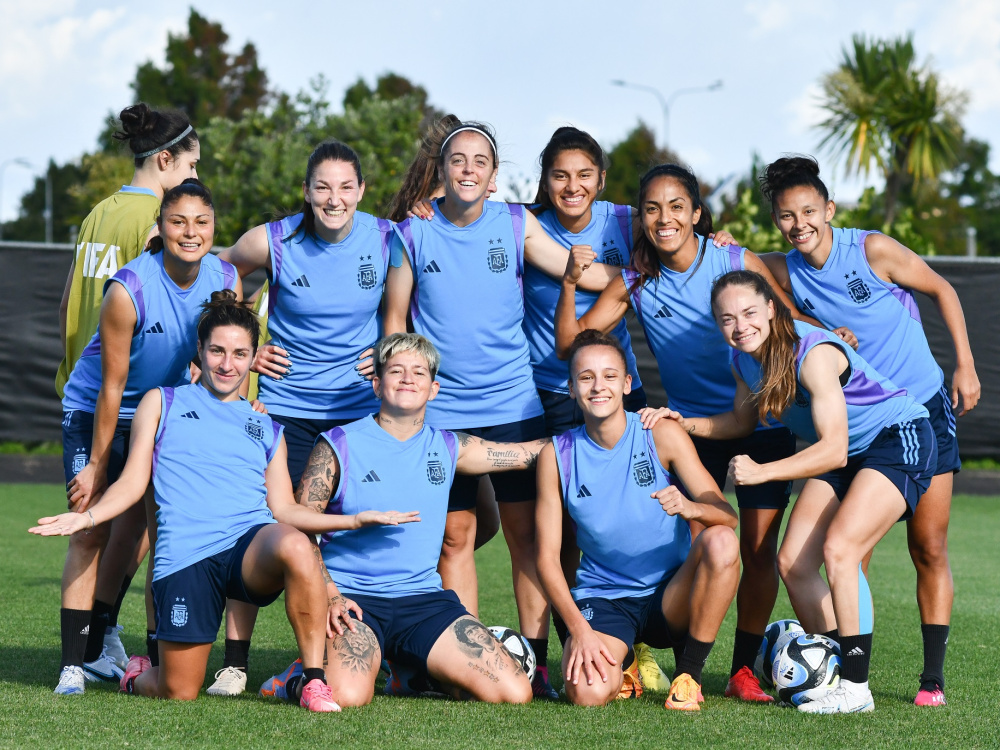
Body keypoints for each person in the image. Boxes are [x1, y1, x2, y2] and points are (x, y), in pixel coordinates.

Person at [554, 163, 811, 702]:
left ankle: (741, 670)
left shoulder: (731, 256)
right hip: (693, 429)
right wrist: (572, 279)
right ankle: (637, 646)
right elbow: (574, 342)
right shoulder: (637, 279)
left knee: (757, 549)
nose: (664, 218)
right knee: (694, 538)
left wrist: (832, 338)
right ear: (641, 219)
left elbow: (786, 325)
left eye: (676, 207)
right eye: (651, 208)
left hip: (760, 423)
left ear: (696, 213)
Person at [33, 293, 362, 712]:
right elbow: (134, 481)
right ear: (200, 352)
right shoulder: (163, 402)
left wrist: (351, 520)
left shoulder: (265, 424)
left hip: (247, 549)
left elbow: (283, 510)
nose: (228, 364)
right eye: (218, 351)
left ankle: (312, 681)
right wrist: (88, 518)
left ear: (254, 357)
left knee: (295, 543)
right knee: (179, 689)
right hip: (187, 556)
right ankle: (138, 676)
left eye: (240, 353)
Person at [384, 121, 620, 700]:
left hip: (512, 404)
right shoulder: (411, 233)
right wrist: (393, 386)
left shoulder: (515, 223)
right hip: (442, 417)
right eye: (457, 160)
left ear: (494, 178)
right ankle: (464, 662)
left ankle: (535, 663)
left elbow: (577, 269)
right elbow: (394, 321)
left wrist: (657, 266)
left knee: (525, 538)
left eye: (480, 162)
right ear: (441, 172)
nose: (468, 169)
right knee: (454, 537)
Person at [757, 155, 980, 707]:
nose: (799, 223)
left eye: (809, 210)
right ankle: (843, 668)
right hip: (855, 428)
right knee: (845, 553)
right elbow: (736, 259)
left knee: (927, 547)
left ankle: (931, 680)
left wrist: (965, 364)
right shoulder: (785, 268)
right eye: (786, 215)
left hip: (920, 413)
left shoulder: (871, 249)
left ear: (829, 209)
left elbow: (944, 290)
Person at [665, 269, 937, 713]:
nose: (740, 326)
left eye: (750, 313)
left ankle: (855, 689)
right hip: (850, 454)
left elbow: (833, 449)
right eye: (727, 319)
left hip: (897, 437)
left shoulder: (811, 352)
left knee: (841, 550)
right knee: (792, 562)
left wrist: (763, 471)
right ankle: (834, 665)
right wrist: (681, 422)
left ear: (772, 310)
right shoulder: (742, 361)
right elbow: (740, 422)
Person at [261, 332, 546, 707]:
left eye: (419, 372)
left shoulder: (448, 446)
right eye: (396, 370)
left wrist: (611, 430)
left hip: (425, 602)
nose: (408, 378)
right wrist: (328, 592)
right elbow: (300, 527)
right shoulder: (337, 443)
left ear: (434, 389)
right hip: (355, 600)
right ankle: (293, 679)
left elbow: (525, 454)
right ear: (377, 384)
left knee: (513, 693)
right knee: (348, 696)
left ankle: (408, 673)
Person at [54, 179, 239, 695]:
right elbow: (112, 388)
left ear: (213, 228)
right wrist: (94, 465)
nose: (190, 232)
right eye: (178, 221)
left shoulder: (226, 278)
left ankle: (146, 650)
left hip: (165, 415)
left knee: (161, 531)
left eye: (201, 222)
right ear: (159, 227)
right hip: (98, 412)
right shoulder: (127, 289)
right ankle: (74, 663)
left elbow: (225, 356)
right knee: (91, 530)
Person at [54, 102, 200, 679]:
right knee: (126, 525)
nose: (194, 182)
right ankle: (99, 640)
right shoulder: (155, 221)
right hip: (122, 399)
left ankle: (96, 641)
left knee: (119, 524)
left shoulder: (98, 212)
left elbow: (68, 300)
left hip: (82, 392)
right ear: (164, 160)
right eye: (190, 167)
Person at [535, 330, 739, 710]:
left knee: (722, 541)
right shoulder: (556, 455)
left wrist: (690, 508)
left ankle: (689, 677)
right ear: (570, 388)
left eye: (610, 376)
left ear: (627, 383)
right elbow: (546, 559)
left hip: (671, 596)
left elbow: (727, 516)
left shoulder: (660, 433)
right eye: (586, 377)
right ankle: (625, 663)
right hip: (606, 599)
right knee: (587, 694)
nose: (599, 387)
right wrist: (579, 631)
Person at [219, 139, 394, 488]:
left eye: (346, 187)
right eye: (322, 187)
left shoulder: (387, 239)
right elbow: (218, 272)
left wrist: (389, 352)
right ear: (306, 190)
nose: (334, 199)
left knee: (350, 529)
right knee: (292, 530)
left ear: (361, 190)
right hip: (287, 408)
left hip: (359, 407)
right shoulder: (273, 240)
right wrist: (246, 349)